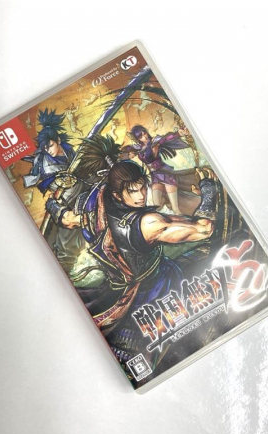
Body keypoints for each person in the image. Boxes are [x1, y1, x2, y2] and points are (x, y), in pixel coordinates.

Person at [45, 135, 218, 368]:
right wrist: (208, 191)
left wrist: (52, 205)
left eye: (142, 187)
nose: (141, 196)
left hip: (123, 293)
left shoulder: (93, 210)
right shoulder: (148, 224)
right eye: (132, 191)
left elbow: (67, 219)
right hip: (160, 288)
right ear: (117, 194)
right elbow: (204, 229)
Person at [22, 108, 84, 273]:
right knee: (67, 241)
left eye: (50, 146)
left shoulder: (69, 151)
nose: (48, 150)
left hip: (81, 191)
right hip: (63, 201)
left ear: (58, 140)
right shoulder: (45, 162)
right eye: (45, 148)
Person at [130, 124, 189, 215]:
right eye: (140, 136)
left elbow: (166, 138)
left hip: (165, 173)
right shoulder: (139, 148)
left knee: (175, 209)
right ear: (138, 139)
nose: (144, 136)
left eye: (144, 133)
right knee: (156, 209)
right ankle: (165, 202)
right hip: (155, 176)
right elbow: (129, 151)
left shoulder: (155, 141)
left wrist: (178, 133)